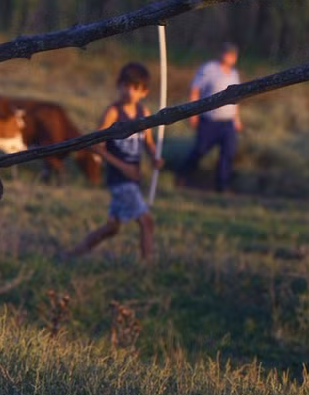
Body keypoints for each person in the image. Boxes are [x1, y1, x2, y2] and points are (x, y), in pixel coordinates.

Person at [67, 62, 162, 261]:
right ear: (118, 86)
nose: (130, 92)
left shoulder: (142, 113)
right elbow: (95, 144)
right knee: (146, 222)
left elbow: (148, 141)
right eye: (126, 86)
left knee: (112, 228)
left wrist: (154, 157)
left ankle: (74, 254)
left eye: (135, 88)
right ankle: (147, 268)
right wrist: (122, 167)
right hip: (119, 179)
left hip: (132, 178)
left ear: (144, 92)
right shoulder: (113, 112)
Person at [177, 42, 242, 192]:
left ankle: (222, 186)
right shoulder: (208, 69)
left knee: (228, 153)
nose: (230, 57)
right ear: (221, 53)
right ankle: (183, 175)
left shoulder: (234, 74)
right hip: (209, 121)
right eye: (227, 53)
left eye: (233, 55)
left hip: (228, 122)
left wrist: (237, 119)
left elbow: (236, 98)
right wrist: (192, 114)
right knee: (200, 150)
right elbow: (195, 90)